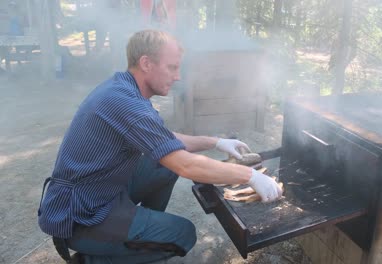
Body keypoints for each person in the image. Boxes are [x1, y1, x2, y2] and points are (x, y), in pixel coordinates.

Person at [37, 29, 282, 264]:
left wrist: (216, 142)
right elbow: (185, 164)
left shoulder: (123, 89)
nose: (177, 76)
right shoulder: (126, 103)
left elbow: (164, 138)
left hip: (101, 192)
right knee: (183, 234)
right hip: (80, 217)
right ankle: (92, 259)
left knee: (162, 165)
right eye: (172, 67)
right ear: (146, 63)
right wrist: (249, 175)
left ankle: (140, 233)